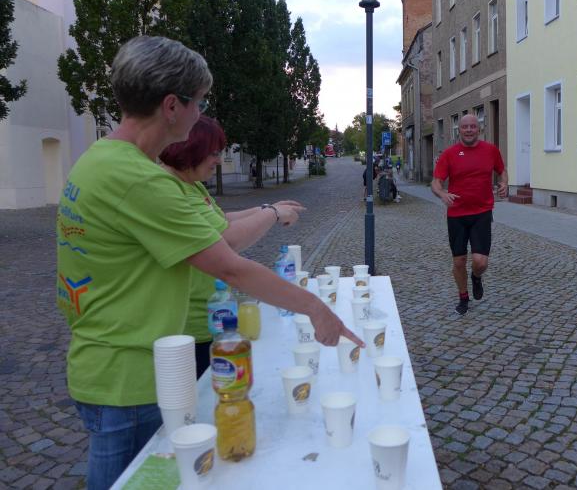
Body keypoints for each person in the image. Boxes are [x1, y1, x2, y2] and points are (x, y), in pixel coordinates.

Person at [56, 36, 362, 490]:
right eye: (198, 101)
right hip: (129, 376)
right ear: (171, 106)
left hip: (108, 363)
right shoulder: (137, 178)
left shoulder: (100, 159)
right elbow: (230, 265)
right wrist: (315, 307)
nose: (200, 113)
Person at [160, 115, 304, 377]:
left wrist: (265, 208)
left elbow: (221, 220)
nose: (218, 160)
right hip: (191, 326)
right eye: (214, 153)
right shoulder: (169, 188)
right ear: (192, 148)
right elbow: (226, 239)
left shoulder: (192, 184)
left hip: (214, 316)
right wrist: (272, 213)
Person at [431, 114, 508, 315]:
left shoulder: (491, 150)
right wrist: (442, 193)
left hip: (482, 212)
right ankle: (463, 296)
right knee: (458, 261)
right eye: (465, 127)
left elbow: (502, 170)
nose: (469, 130)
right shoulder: (449, 154)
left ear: (479, 129)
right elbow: (436, 182)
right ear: (459, 130)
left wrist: (504, 183)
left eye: (473, 126)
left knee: (480, 262)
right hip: (457, 215)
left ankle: (476, 277)